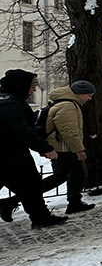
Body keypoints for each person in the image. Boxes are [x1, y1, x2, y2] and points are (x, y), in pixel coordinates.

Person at [1, 79, 96, 218]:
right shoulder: (67, 105)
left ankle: (75, 201)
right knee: (58, 178)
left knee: (77, 174)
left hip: (64, 147)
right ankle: (11, 202)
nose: (90, 98)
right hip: (62, 148)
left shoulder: (68, 103)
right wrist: (78, 150)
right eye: (89, 95)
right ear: (80, 93)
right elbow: (68, 131)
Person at [0, 70, 65, 228]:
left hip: (9, 153)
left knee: (29, 187)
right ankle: (40, 217)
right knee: (31, 185)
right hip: (11, 155)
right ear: (20, 87)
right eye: (31, 87)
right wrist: (45, 148)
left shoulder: (7, 100)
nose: (34, 90)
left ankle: (36, 215)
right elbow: (22, 130)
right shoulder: (10, 104)